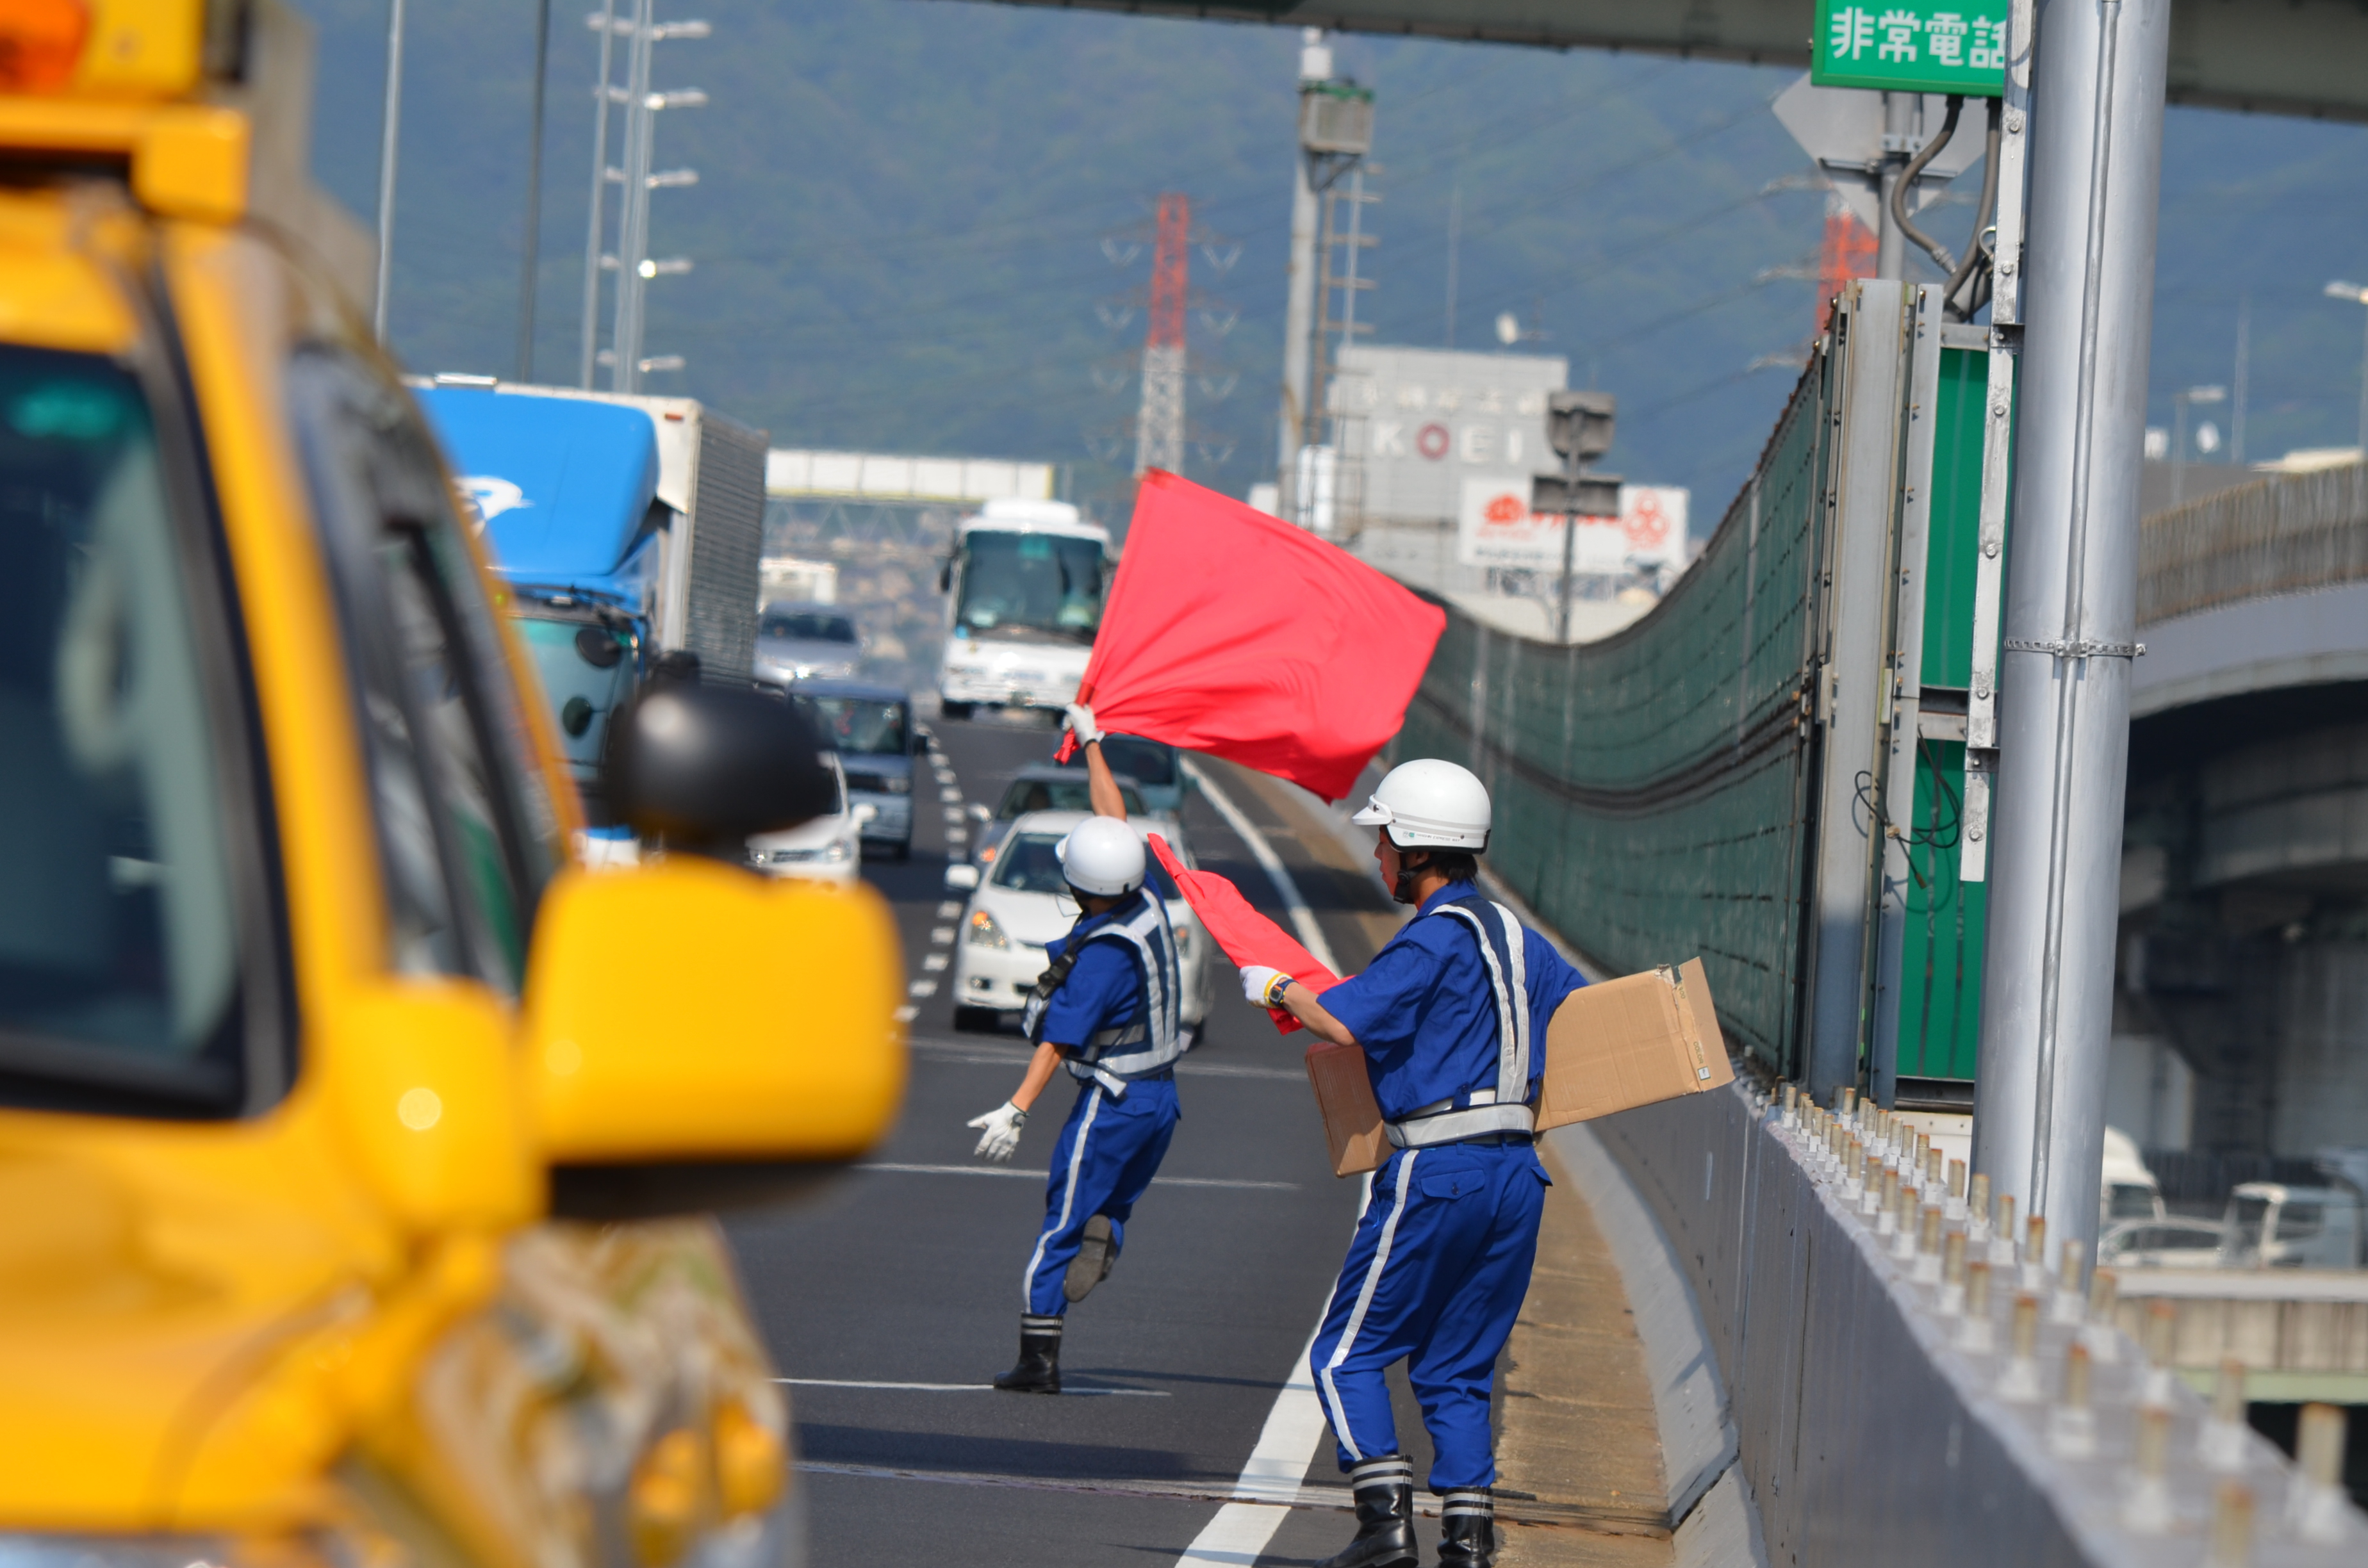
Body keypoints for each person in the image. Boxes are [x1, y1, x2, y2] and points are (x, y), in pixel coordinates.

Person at [1240, 759, 1585, 1568]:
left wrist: (1278, 988)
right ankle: (1467, 1541)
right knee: (1457, 1367)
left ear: (1415, 850)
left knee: (1344, 1354)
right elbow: (1574, 1012)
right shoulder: (1512, 933)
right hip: (1518, 1174)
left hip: (1439, 1169)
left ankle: (1382, 1522)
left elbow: (1341, 1022)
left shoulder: (1430, 938)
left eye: (1384, 841)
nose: (1377, 857)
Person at [964, 702, 1185, 1393]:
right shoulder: (1141, 901)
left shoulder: (1100, 958)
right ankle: (1107, 1226)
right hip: (1161, 1100)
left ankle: (1038, 1360)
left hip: (1112, 1100)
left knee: (1058, 1224)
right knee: (1097, 1209)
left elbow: (1058, 1041)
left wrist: (1017, 1108)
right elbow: (1112, 819)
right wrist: (1093, 744)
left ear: (1076, 885)